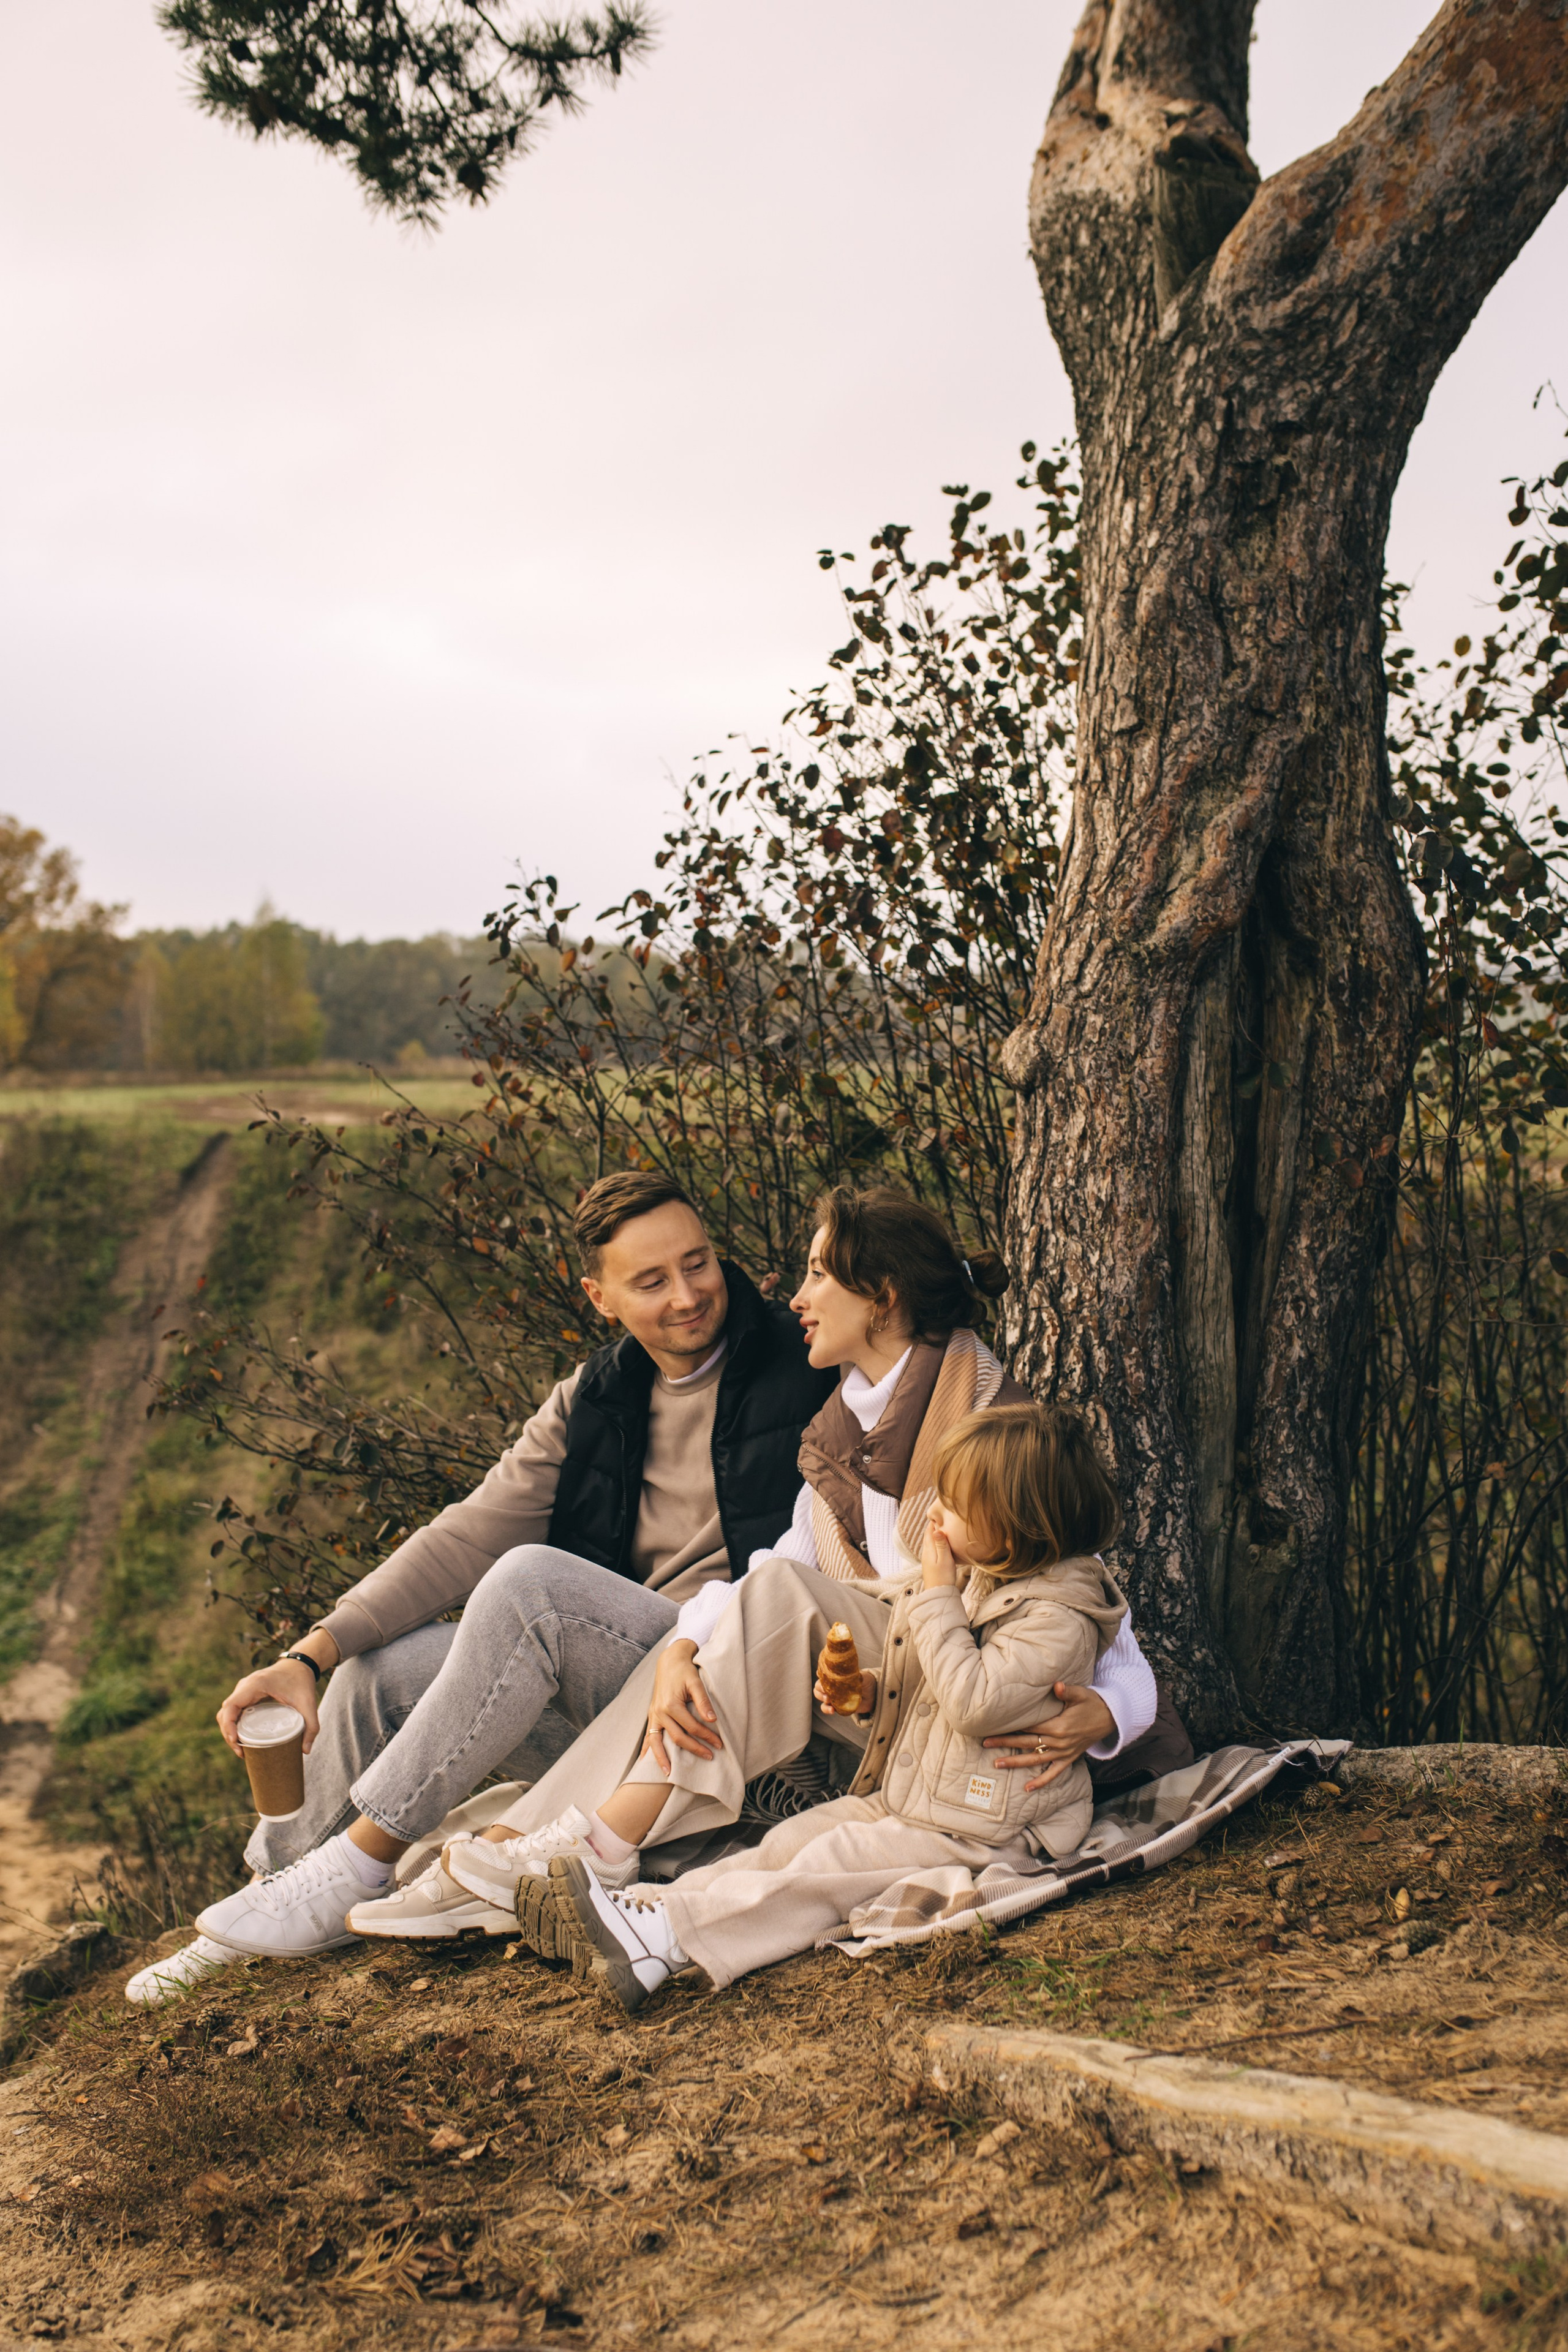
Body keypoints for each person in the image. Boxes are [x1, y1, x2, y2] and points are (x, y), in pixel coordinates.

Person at [124, 1169, 837, 2003]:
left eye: (699, 1263)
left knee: (533, 1586)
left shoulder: (810, 1362)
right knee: (374, 1676)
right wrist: (308, 1656)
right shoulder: (596, 1400)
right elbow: (463, 1537)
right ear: (599, 1297)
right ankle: (265, 1903)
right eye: (651, 1281)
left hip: (724, 1708)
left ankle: (359, 1862)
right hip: (618, 1711)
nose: (687, 1295)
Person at [398, 1187, 1175, 1946]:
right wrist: (679, 1652)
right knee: (745, 1612)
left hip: (969, 1735)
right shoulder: (844, 1423)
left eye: (818, 1275)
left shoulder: (984, 1419)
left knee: (767, 1598)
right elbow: (776, 1571)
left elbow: (1092, 1606)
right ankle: (525, 1854)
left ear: (880, 1298)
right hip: (891, 1701)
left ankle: (563, 1851)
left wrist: (1108, 1716)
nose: (795, 1294)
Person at [543, 1401, 1129, 2010]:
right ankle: (649, 1910)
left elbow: (973, 1703)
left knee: (826, 1868)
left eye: (954, 1507)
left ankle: (672, 1937)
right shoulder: (987, 1575)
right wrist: (871, 1692)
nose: (936, 1515)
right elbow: (937, 1673)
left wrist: (936, 1592)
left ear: (1011, 1527)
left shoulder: (1057, 1619)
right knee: (793, 1841)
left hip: (989, 1828)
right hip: (922, 1799)